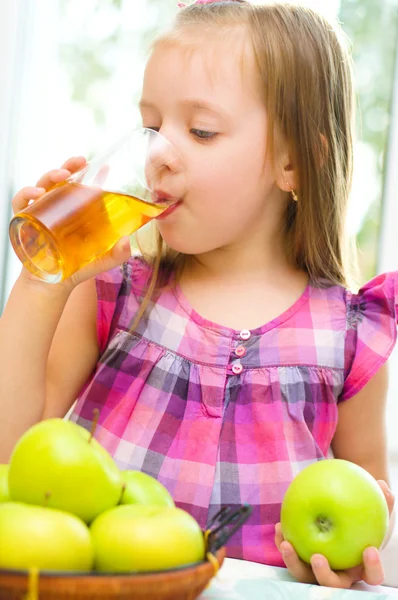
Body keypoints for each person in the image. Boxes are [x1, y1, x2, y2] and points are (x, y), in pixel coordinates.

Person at [0, 0, 397, 588]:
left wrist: (341, 563)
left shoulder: (347, 333)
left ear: (295, 163)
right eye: (152, 126)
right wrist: (42, 283)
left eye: (201, 131)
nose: (158, 155)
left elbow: (367, 501)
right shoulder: (115, 293)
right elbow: (11, 450)